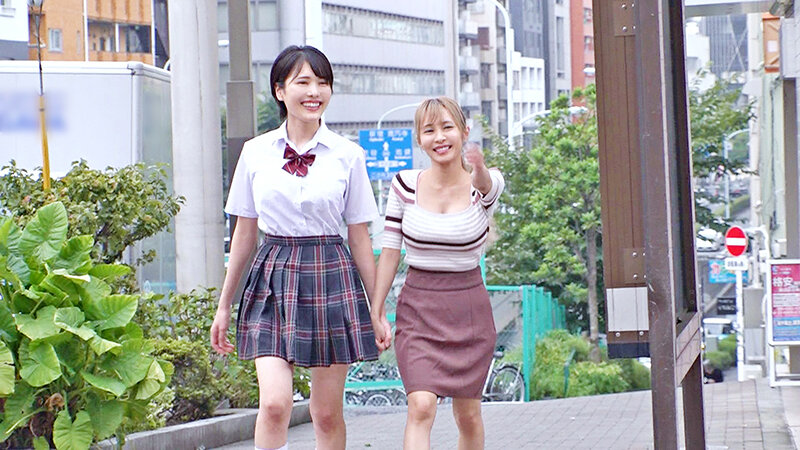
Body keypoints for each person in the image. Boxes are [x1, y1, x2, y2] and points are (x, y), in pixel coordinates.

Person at [210, 45, 379, 450]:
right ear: (280, 90)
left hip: (330, 273)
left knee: (326, 413)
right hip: (273, 273)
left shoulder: (348, 155)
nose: (314, 92)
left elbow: (359, 236)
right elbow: (244, 233)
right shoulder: (255, 152)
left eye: (323, 83)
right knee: (274, 404)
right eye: (303, 82)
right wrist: (224, 304)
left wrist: (377, 309)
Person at [371, 96, 505, 450]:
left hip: (469, 311)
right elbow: (390, 251)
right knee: (421, 405)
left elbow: (488, 186)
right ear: (419, 139)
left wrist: (479, 168)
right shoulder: (404, 185)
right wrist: (377, 309)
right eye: (429, 130)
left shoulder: (483, 186)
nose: (439, 137)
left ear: (464, 131)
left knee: (468, 415)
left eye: (447, 127)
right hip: (419, 309)